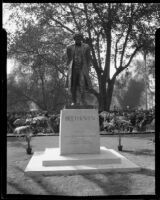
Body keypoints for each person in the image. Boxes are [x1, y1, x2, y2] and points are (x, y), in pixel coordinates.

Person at [65, 32, 92, 106]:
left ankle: (83, 101)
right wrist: (67, 67)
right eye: (76, 38)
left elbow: (88, 58)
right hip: (73, 69)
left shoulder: (86, 47)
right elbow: (69, 58)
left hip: (82, 69)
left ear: (81, 38)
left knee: (82, 84)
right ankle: (73, 101)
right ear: (74, 39)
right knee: (73, 85)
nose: (78, 39)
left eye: (79, 37)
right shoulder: (69, 47)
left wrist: (88, 68)